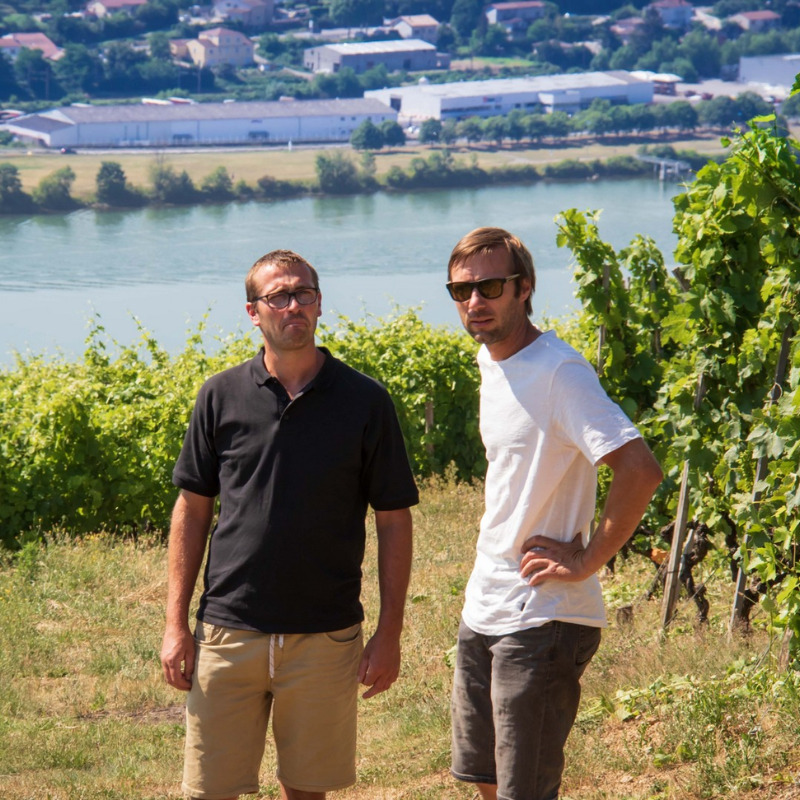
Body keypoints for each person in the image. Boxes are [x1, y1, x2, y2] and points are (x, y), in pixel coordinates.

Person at [160, 249, 419, 800]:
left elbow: (394, 521)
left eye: (303, 293)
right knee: (209, 790)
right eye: (278, 296)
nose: (292, 305)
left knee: (307, 790)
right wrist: (175, 623)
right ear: (253, 312)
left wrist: (390, 632)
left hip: (325, 634)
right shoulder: (219, 395)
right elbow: (192, 510)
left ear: (320, 303)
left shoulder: (366, 401)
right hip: (228, 629)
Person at [445, 227, 663, 800]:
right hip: (486, 605)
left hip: (543, 615)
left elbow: (640, 470)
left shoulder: (560, 371)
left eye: (490, 286)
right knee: (485, 778)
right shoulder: (492, 360)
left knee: (525, 791)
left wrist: (586, 561)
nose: (475, 301)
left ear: (525, 288)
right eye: (462, 290)